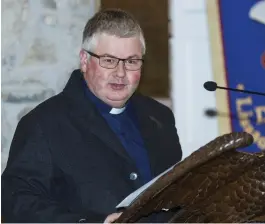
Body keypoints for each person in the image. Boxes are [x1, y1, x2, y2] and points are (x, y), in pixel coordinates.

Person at [1, 8, 182, 223]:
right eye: (108, 60)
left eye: (131, 61)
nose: (120, 73)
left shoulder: (159, 117)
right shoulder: (43, 124)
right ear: (85, 60)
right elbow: (17, 203)